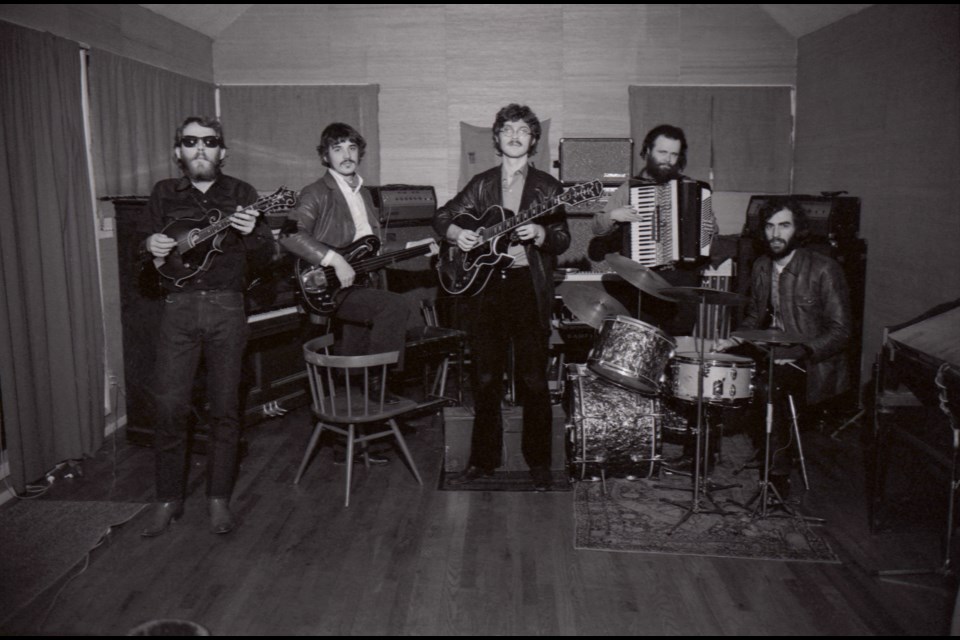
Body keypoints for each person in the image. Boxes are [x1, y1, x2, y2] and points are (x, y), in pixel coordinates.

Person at [141, 116, 276, 537]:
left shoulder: (242, 195)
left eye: (210, 141)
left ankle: (218, 498)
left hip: (227, 309)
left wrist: (253, 232)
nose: (200, 148)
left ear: (223, 152)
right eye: (190, 141)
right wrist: (150, 246)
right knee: (168, 409)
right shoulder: (163, 193)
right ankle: (167, 498)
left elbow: (265, 259)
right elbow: (142, 255)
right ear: (178, 151)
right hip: (177, 310)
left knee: (224, 410)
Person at [434, 103, 570, 491]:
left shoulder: (549, 187)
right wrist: (457, 234)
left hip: (528, 287)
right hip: (486, 289)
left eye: (523, 131)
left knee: (533, 379)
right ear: (497, 138)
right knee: (486, 377)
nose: (514, 136)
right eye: (507, 130)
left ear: (533, 141)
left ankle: (540, 463)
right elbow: (443, 216)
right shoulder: (481, 184)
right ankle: (483, 460)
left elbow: (562, 237)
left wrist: (541, 235)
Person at [280, 123, 425, 441]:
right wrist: (334, 260)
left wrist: (417, 248)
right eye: (337, 148)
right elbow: (290, 234)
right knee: (396, 307)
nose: (346, 155)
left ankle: (360, 431)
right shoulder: (316, 192)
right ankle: (380, 384)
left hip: (363, 282)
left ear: (359, 152)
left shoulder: (364, 194)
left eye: (351, 147)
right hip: (329, 283)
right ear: (325, 156)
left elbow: (373, 245)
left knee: (356, 350)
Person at [716, 198, 852, 496]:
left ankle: (777, 479)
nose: (775, 234)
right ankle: (706, 452)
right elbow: (755, 316)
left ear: (799, 230)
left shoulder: (824, 269)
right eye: (769, 226)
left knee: (769, 388)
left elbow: (842, 332)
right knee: (715, 365)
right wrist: (734, 340)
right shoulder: (762, 266)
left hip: (814, 361)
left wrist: (799, 352)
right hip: (774, 350)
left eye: (784, 225)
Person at [591, 124, 715, 335]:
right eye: (662, 152)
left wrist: (707, 230)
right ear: (647, 151)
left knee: (677, 344)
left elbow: (712, 232)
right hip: (643, 279)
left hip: (682, 281)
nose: (668, 159)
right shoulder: (630, 187)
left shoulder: (692, 188)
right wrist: (614, 215)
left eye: (674, 154)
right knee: (641, 339)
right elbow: (597, 227)